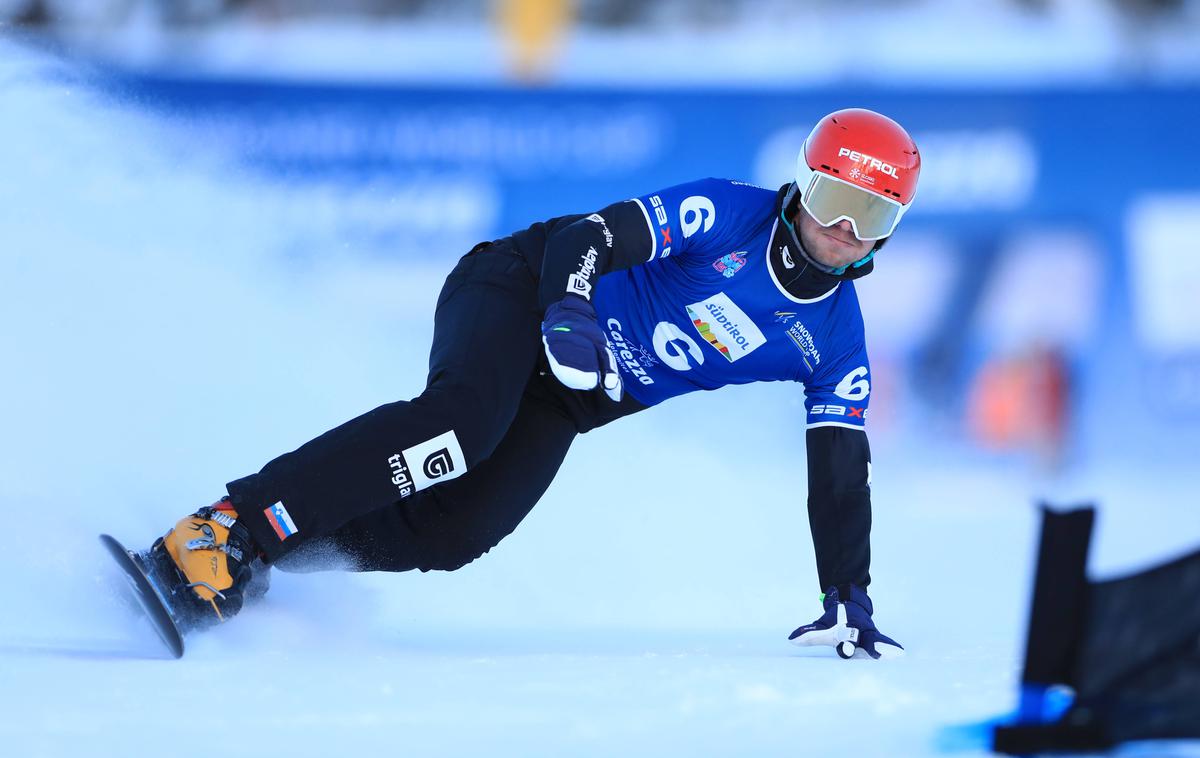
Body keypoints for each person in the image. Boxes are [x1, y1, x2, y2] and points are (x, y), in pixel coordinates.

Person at [147, 107, 920, 659]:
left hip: (568, 396)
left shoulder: (836, 343)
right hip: (521, 289)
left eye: (872, 216)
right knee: (461, 426)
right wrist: (571, 309)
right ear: (800, 187)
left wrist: (846, 592)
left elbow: (841, 476)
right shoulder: (725, 213)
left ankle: (263, 559)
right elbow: (590, 235)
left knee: (453, 534)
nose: (845, 231)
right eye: (835, 202)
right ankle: (228, 527)